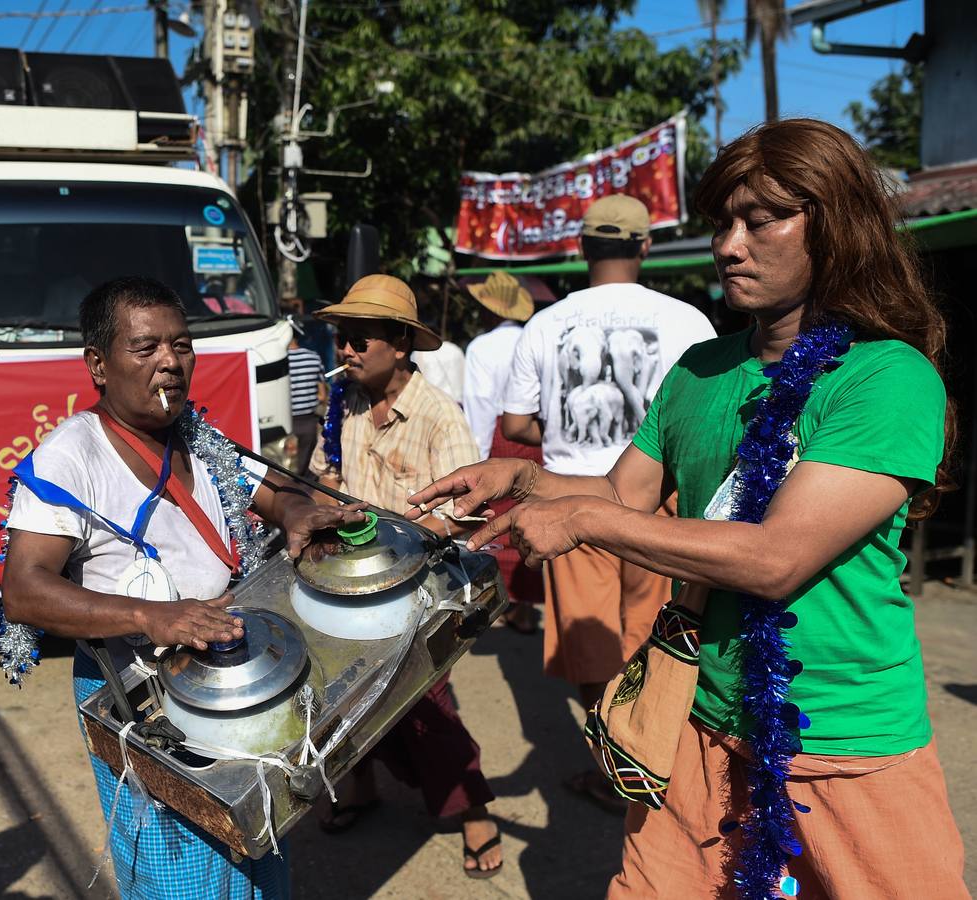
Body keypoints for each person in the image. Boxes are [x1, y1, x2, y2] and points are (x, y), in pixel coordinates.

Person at [409, 119, 967, 898]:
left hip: (844, 738)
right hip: (698, 722)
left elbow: (774, 559)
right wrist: (520, 480)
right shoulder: (699, 369)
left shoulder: (885, 377)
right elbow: (620, 493)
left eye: (760, 219)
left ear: (834, 225)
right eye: (720, 223)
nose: (728, 245)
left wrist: (585, 522)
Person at [1, 276, 366, 900]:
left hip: (231, 669)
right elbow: (24, 590)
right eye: (146, 349)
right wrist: (153, 616)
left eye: (181, 345)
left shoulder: (196, 435)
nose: (170, 361)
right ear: (97, 363)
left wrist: (298, 512)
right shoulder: (70, 457)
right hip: (141, 698)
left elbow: (272, 492)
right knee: (181, 874)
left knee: (253, 841)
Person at [499, 194, 715, 810]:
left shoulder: (544, 324)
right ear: (645, 246)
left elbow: (516, 425)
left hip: (571, 501)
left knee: (591, 647)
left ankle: (614, 764)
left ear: (582, 249)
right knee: (655, 637)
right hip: (661, 502)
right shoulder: (688, 321)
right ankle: (657, 753)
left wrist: (572, 434)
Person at [307, 274, 502, 879]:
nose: (346, 351)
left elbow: (464, 510)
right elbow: (323, 476)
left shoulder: (439, 416)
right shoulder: (343, 403)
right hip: (349, 583)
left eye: (360, 341)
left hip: (420, 590)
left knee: (423, 701)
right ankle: (360, 789)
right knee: (339, 695)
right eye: (343, 339)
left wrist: (398, 537)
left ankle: (474, 812)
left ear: (400, 345)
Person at [462, 272, 550, 634]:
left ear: (487, 310)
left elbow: (480, 405)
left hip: (501, 437)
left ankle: (501, 601)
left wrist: (478, 458)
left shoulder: (482, 347)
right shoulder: (540, 336)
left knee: (495, 525)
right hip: (536, 436)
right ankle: (526, 606)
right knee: (534, 520)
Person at [285, 306, 324, 474]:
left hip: (286, 424)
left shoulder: (278, 361)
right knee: (306, 471)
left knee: (286, 471)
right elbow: (322, 396)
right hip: (308, 422)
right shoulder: (313, 357)